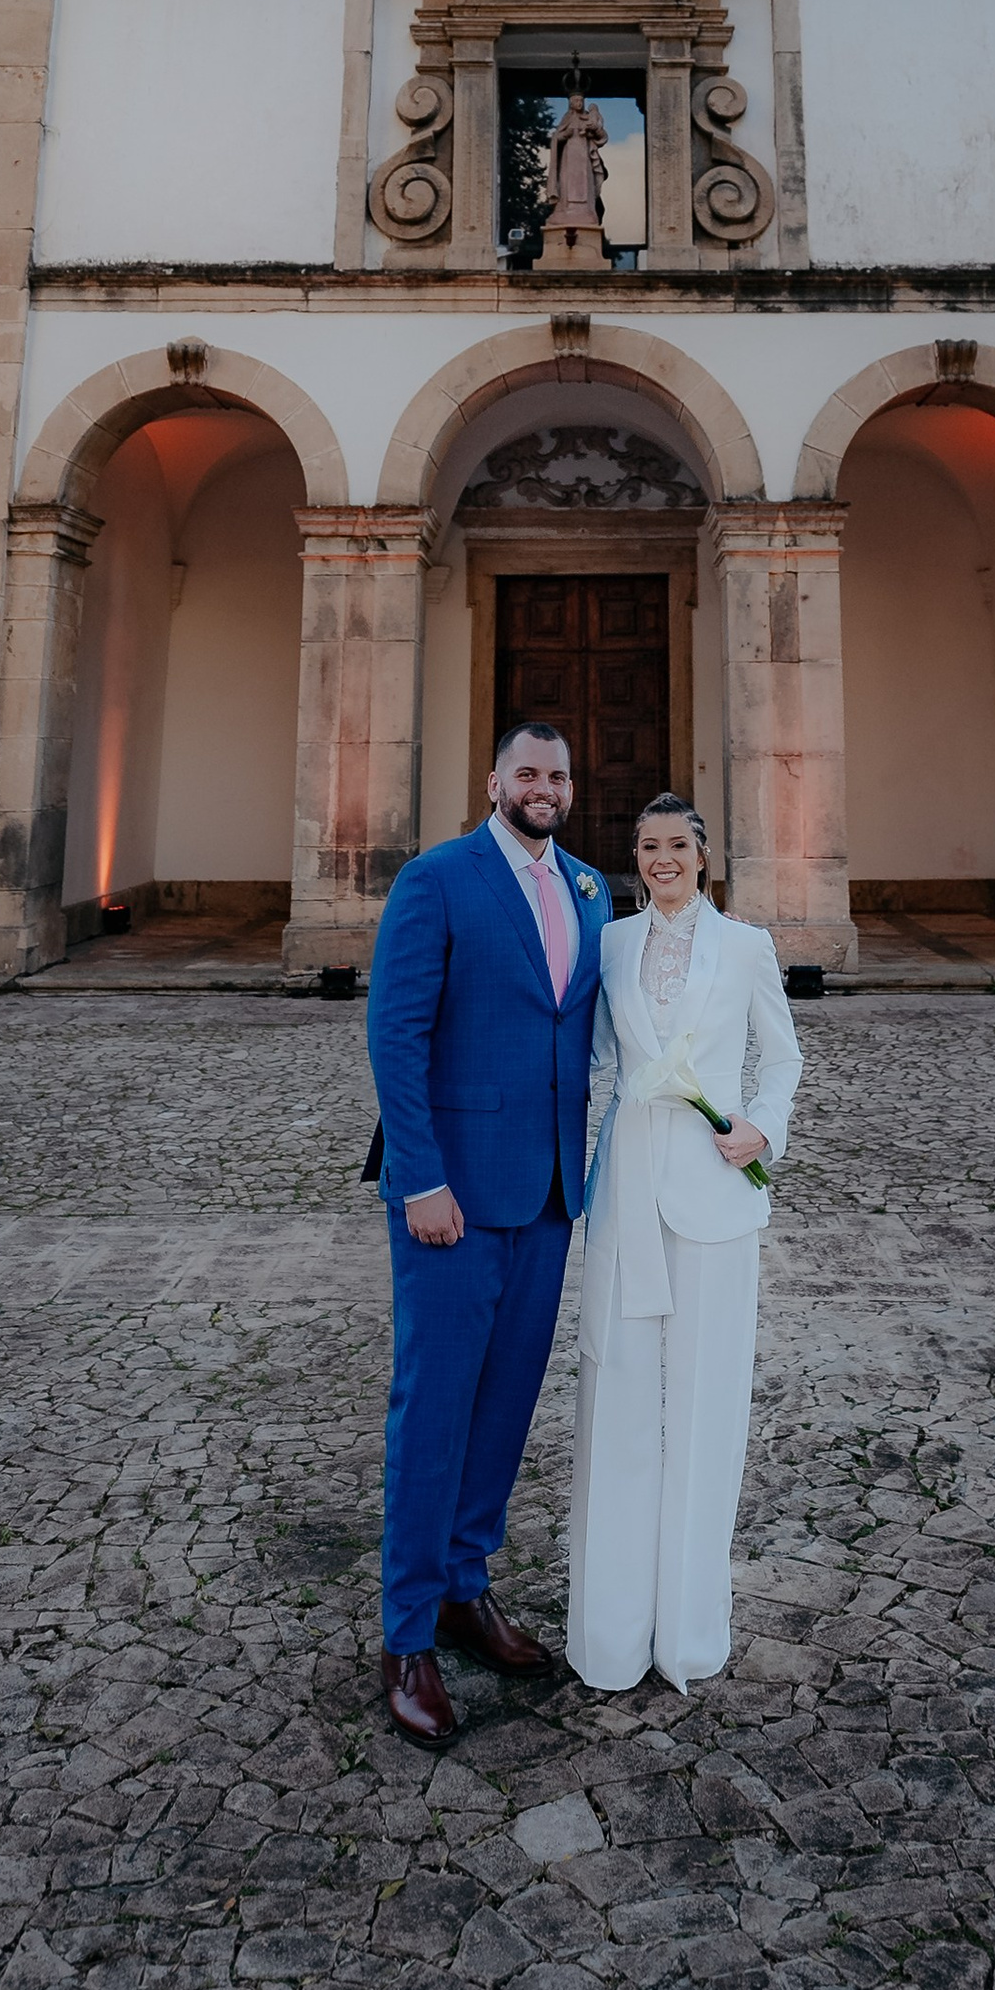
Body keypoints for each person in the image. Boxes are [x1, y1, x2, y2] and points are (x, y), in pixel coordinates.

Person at [364, 717, 609, 1745]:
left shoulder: (591, 889)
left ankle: (467, 1587)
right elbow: (395, 1031)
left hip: (548, 1192)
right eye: (528, 772)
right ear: (495, 782)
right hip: (451, 1200)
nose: (544, 787)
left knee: (506, 1405)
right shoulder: (437, 879)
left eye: (559, 774)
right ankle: (406, 1634)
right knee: (434, 1409)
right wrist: (419, 1178)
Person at [566, 793, 801, 1694]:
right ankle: (611, 1635)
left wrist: (763, 1127)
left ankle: (690, 1633)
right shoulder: (611, 944)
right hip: (626, 1184)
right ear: (634, 857)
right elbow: (586, 1055)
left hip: (714, 1189)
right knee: (617, 1397)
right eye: (647, 845)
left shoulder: (745, 947)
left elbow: (782, 1056)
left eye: (677, 844)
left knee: (707, 1402)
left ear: (703, 854)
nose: (662, 858)